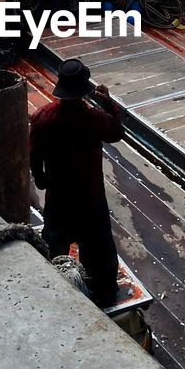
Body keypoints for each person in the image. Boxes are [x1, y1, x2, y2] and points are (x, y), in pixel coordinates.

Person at [29, 59, 124, 308]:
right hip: (90, 197)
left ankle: (54, 295)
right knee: (99, 253)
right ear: (85, 88)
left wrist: (40, 178)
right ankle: (105, 295)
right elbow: (116, 132)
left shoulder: (42, 117)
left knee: (55, 246)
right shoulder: (92, 118)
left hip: (58, 196)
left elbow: (34, 153)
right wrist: (107, 102)